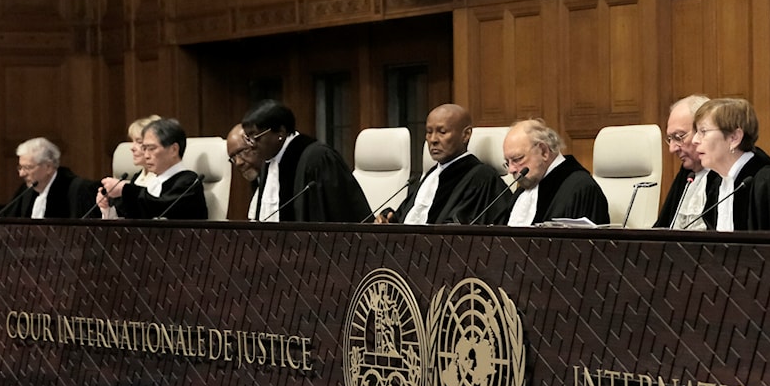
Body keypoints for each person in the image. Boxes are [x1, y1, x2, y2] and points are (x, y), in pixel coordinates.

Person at [691, 98, 770, 231]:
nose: (695, 140)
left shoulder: (769, 185)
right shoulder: (717, 185)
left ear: (734, 138)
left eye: (703, 132)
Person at [240, 100, 370, 223]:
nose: (251, 145)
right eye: (248, 138)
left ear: (281, 132)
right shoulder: (269, 163)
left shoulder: (318, 159)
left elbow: (339, 216)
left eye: (255, 137)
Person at [376, 104, 508, 225]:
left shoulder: (481, 177)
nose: (433, 140)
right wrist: (389, 219)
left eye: (442, 132)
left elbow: (462, 227)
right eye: (429, 132)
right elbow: (407, 216)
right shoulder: (431, 174)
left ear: (466, 135)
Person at [501, 118, 609, 226]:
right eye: (507, 162)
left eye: (517, 159)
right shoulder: (523, 192)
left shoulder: (581, 188)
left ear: (544, 151)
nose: (511, 170)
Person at [98, 118, 208, 220]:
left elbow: (160, 209)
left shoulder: (188, 182)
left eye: (151, 149)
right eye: (144, 149)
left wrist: (125, 190)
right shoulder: (152, 182)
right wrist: (108, 207)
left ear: (174, 150)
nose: (146, 155)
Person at [653, 95, 720, 229]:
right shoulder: (686, 175)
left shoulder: (728, 176)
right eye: (670, 139)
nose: (672, 149)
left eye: (679, 137)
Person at [0, 137, 99, 219]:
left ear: (48, 167)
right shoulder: (27, 191)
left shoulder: (77, 189)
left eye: (28, 167)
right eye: (20, 167)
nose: (21, 174)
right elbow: (6, 216)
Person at [126, 115, 162, 187]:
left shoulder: (163, 180)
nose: (132, 148)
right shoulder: (137, 177)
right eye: (132, 141)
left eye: (139, 142)